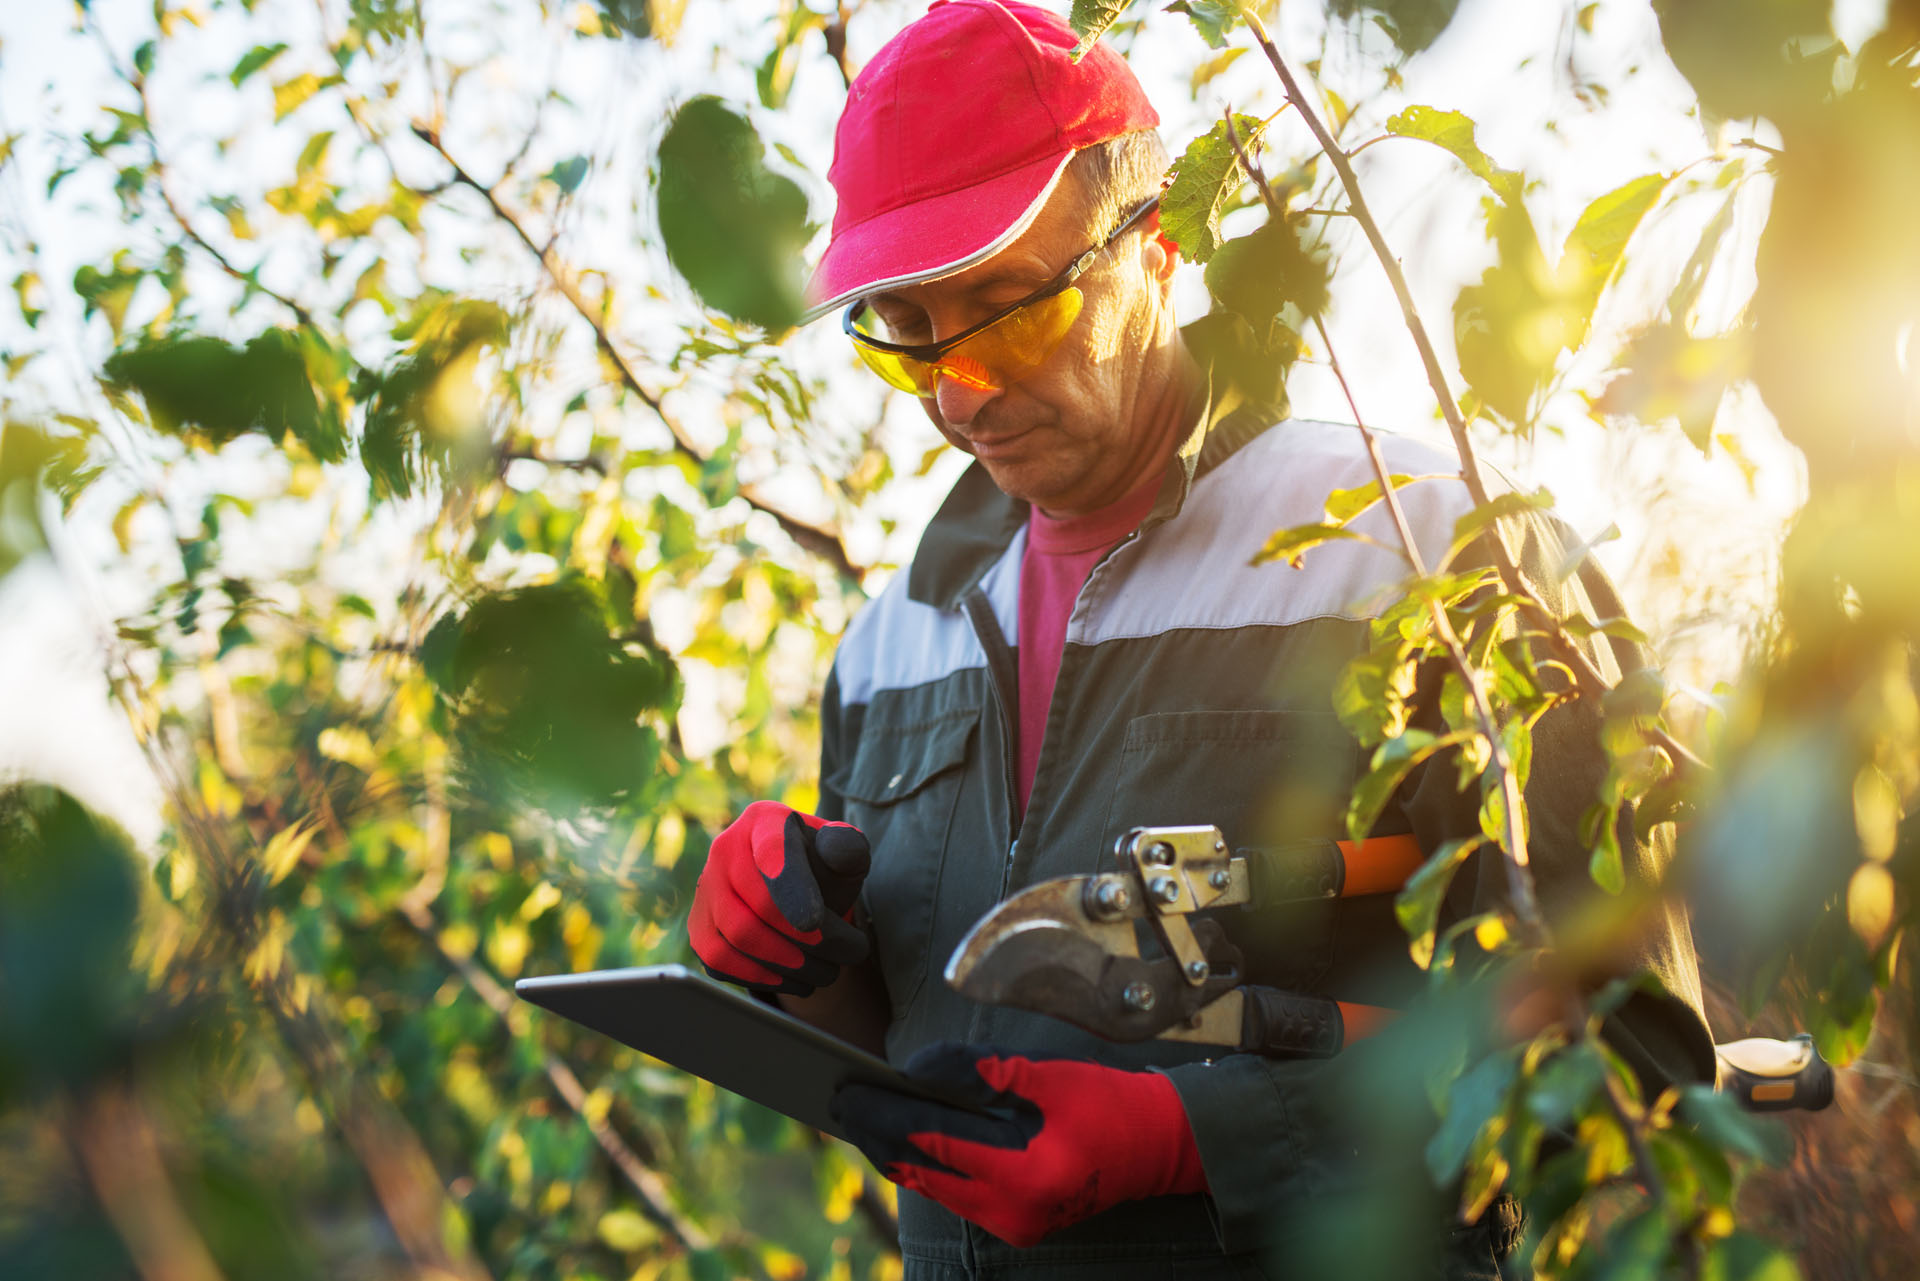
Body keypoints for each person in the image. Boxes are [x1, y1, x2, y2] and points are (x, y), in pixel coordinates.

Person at [686, 2, 1717, 1276]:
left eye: (1009, 309)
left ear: (1157, 246)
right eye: (907, 332)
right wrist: (798, 967)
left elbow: (1638, 1052)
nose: (960, 390)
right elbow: (905, 1050)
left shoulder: (1433, 545)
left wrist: (1200, 1136)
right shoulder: (892, 645)